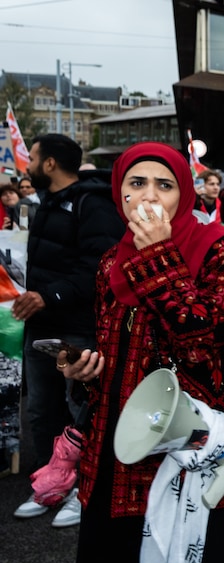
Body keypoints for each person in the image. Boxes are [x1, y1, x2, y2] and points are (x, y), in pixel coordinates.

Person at [60, 141, 224, 563]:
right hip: (114, 451)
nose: (149, 196)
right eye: (136, 183)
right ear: (118, 193)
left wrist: (159, 257)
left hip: (186, 455)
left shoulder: (222, 251)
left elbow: (202, 337)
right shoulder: (108, 262)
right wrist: (86, 372)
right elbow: (116, 347)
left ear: (183, 195)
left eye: (164, 185)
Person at [12, 134, 126, 527]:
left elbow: (100, 268)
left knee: (84, 411)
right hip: (39, 326)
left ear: (49, 164)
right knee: (41, 410)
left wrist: (49, 296)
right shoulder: (41, 205)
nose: (25, 166)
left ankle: (85, 489)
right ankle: (49, 482)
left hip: (78, 329)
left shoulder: (90, 205)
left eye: (32, 158)